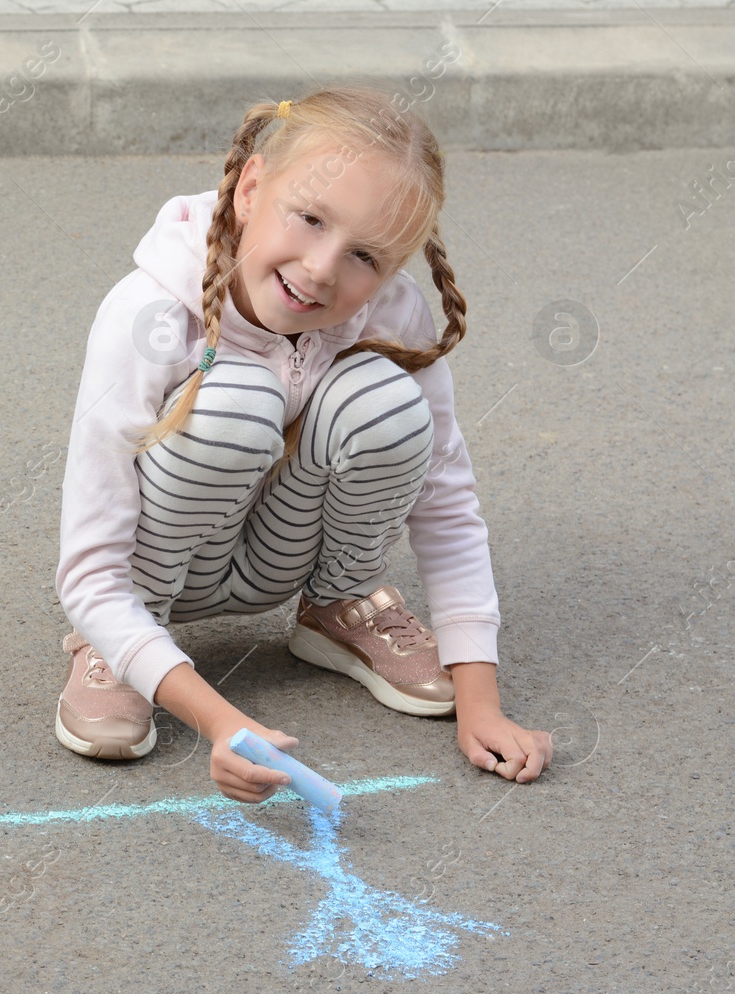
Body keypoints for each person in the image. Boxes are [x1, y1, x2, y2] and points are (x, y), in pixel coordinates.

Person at [54, 87, 553, 802]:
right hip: (153, 570)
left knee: (386, 402)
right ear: (251, 188)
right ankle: (120, 647)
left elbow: (444, 497)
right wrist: (222, 722)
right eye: (310, 218)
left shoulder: (394, 311)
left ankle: (338, 604)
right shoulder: (149, 315)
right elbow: (90, 571)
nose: (321, 268)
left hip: (289, 550)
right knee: (238, 395)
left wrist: (482, 702)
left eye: (364, 256)